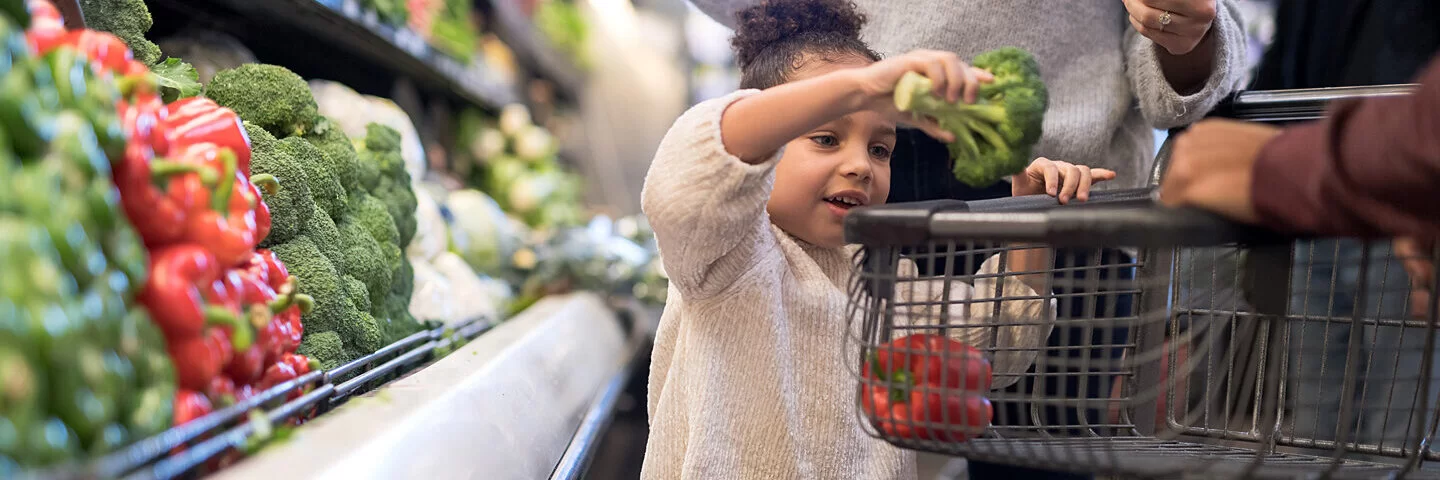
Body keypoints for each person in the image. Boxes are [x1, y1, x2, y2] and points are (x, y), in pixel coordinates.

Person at [639, 1, 1115, 478]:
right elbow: (690, 175)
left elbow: (1001, 341)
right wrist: (861, 86)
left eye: (880, 148)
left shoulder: (884, 275)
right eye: (826, 139)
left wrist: (1027, 211)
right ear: (770, 140)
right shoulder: (727, 253)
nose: (860, 165)